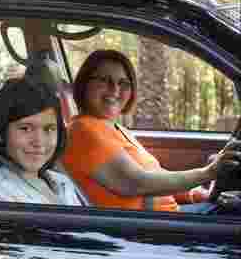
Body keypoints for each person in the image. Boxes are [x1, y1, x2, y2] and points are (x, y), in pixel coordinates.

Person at [62, 49, 241, 213]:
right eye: (104, 80)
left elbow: (156, 175)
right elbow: (136, 183)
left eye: (124, 83)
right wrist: (208, 172)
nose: (115, 89)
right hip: (145, 229)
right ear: (84, 83)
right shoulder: (83, 130)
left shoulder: (115, 128)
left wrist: (193, 194)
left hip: (164, 218)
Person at [0, 78, 86, 206]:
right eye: (25, 129)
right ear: (1, 134)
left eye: (49, 129)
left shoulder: (61, 181)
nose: (39, 141)